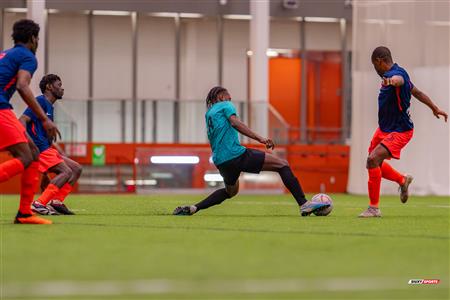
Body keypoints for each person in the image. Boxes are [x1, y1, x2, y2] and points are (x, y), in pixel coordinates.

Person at [173, 86, 329, 216]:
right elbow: (235, 123)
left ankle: (194, 208)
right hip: (236, 154)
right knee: (282, 164)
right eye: (228, 97)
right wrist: (260, 138)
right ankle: (304, 204)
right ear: (220, 97)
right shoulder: (226, 105)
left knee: (230, 192)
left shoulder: (209, 114)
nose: (230, 99)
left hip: (221, 161)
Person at [360, 46, 448, 218]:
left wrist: (392, 81)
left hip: (400, 130)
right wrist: (434, 108)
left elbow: (398, 80)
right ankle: (402, 180)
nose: (375, 69)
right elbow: (417, 92)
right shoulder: (398, 73)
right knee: (371, 163)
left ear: (379, 61)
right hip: (384, 128)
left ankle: (374, 208)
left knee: (373, 159)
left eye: (374, 65)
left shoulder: (396, 74)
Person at [0, 19, 60, 225]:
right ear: (33, 38)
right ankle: (25, 213)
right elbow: (23, 86)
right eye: (38, 38)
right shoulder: (27, 56)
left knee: (33, 153)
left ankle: (25, 213)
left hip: (3, 106)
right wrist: (45, 120)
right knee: (26, 156)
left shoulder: (6, 54)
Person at [19, 74, 82, 215]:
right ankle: (39, 203)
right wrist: (30, 143)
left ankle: (56, 202)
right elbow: (21, 120)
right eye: (59, 85)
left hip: (46, 148)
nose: (62, 89)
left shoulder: (50, 107)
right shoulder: (40, 101)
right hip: (40, 149)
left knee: (76, 169)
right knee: (66, 172)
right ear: (49, 86)